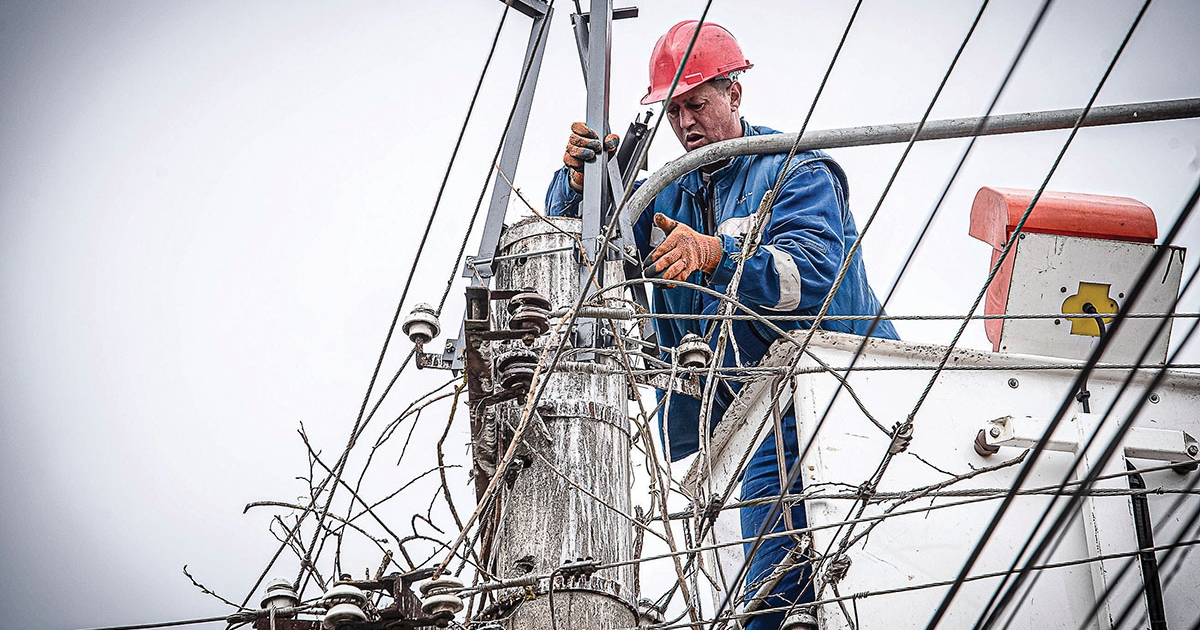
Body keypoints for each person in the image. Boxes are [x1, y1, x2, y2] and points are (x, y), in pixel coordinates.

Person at [545, 20, 899, 630]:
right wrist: (580, 184)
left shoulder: (794, 171)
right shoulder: (668, 193)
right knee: (754, 590)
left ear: (734, 94)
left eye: (698, 104)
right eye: (674, 110)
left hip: (823, 391)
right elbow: (584, 248)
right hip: (733, 423)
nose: (685, 123)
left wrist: (720, 256)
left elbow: (810, 278)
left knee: (770, 600)